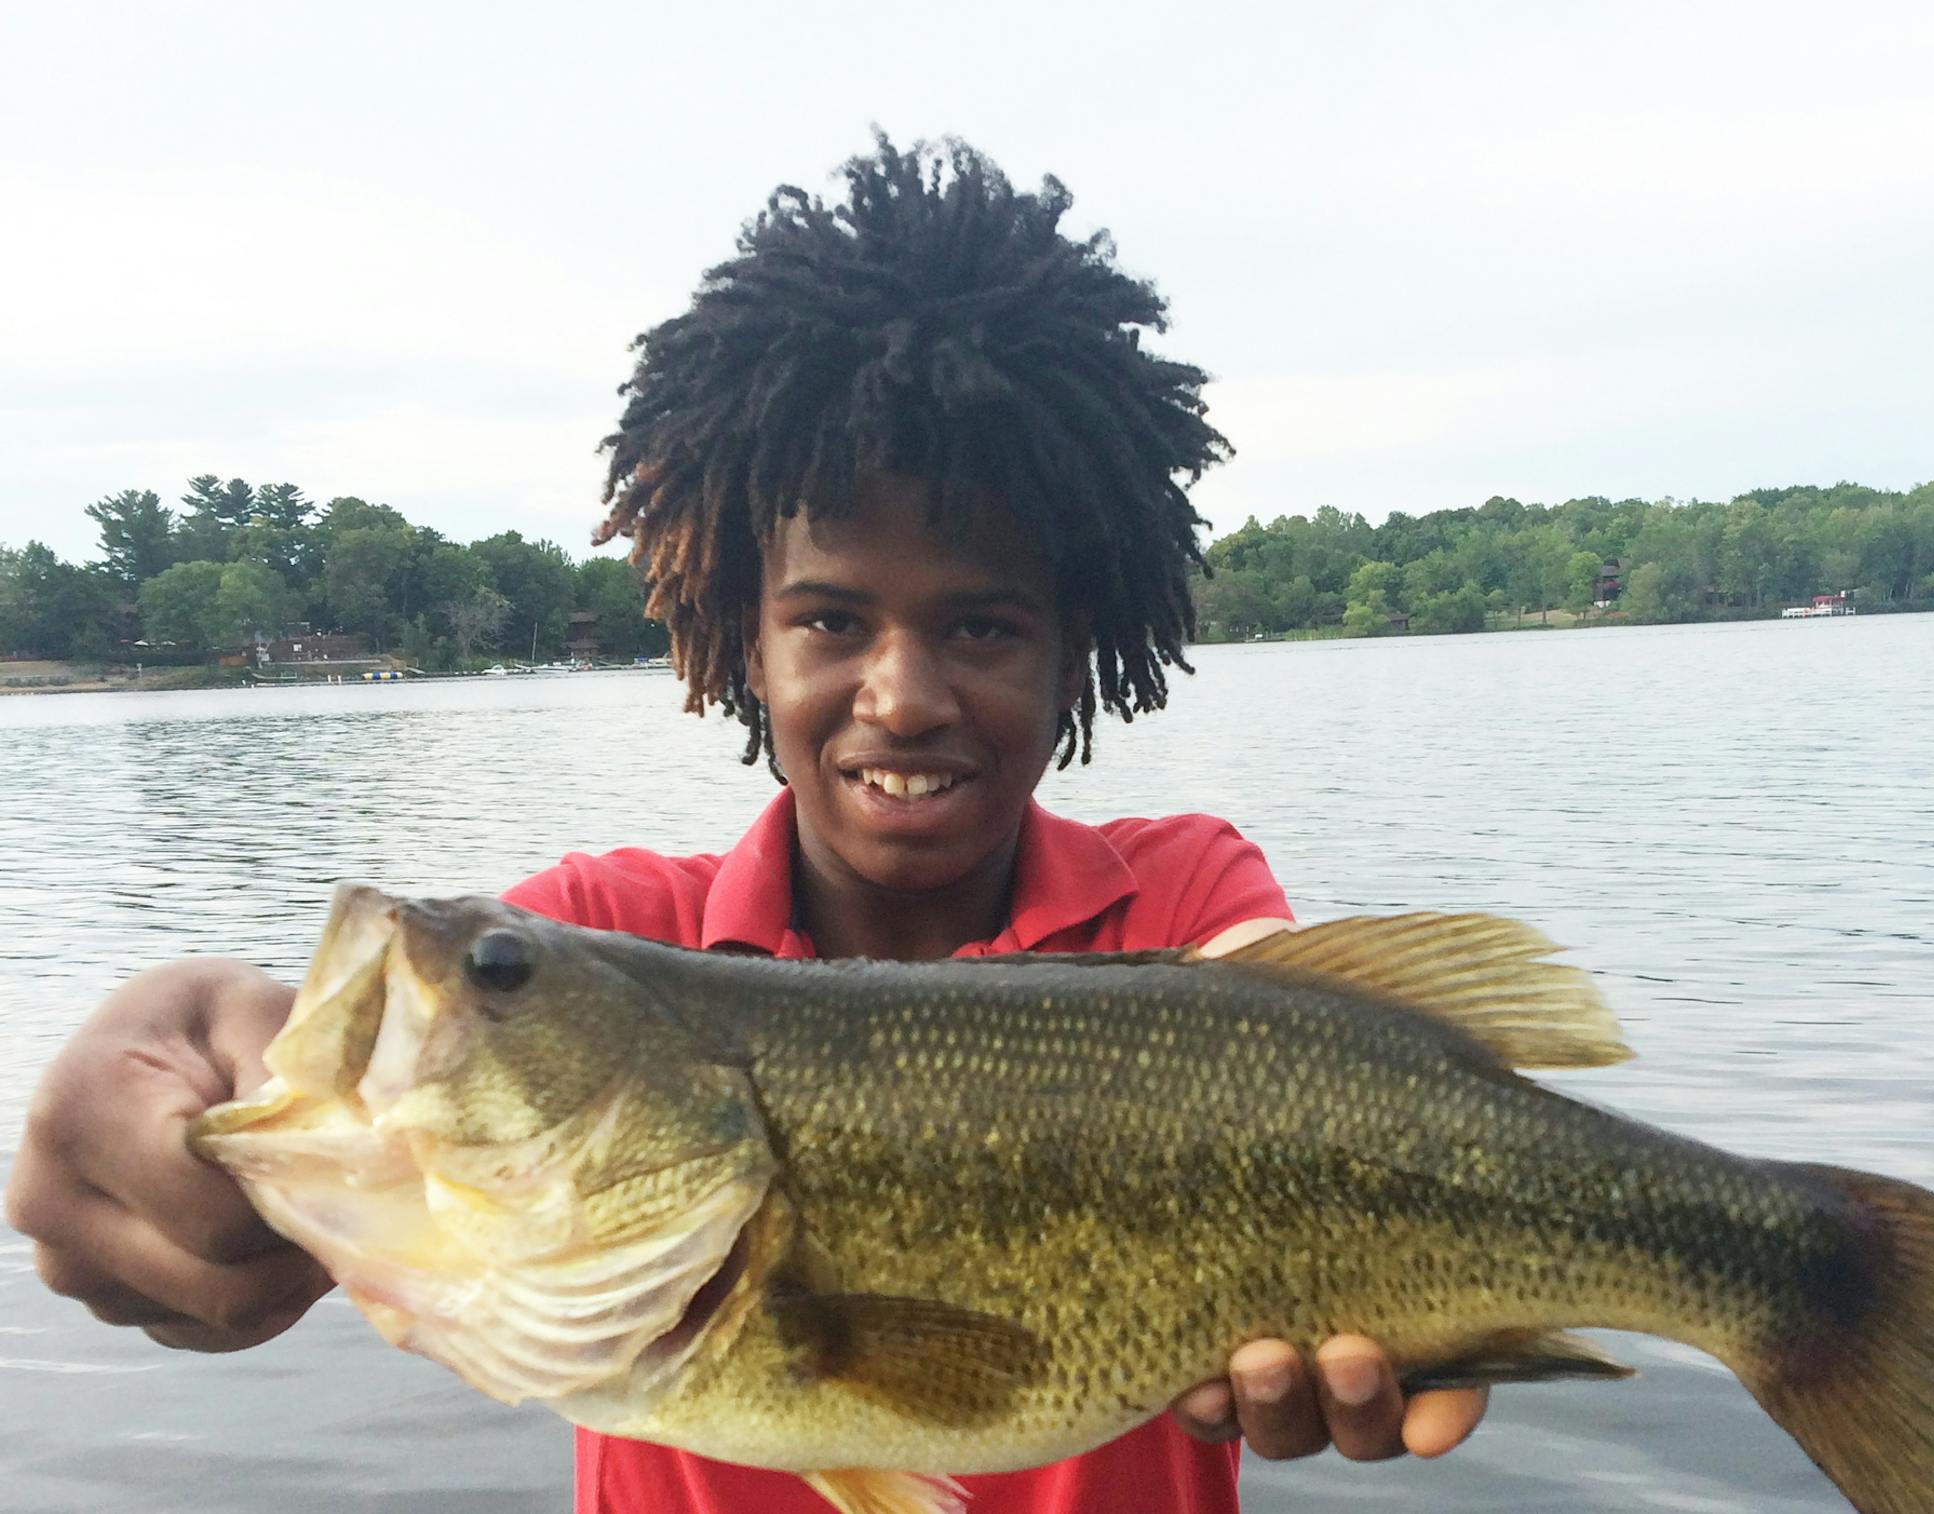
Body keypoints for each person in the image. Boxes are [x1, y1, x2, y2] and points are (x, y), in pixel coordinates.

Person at [6, 134, 1486, 1513]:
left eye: (980, 624)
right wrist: (182, 1058)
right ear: (740, 640)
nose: (901, 695)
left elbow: (1318, 1061)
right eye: (831, 617)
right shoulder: (605, 934)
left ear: (1075, 652)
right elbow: (347, 1149)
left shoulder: (1184, 903)